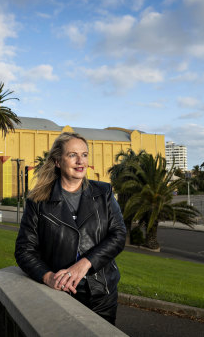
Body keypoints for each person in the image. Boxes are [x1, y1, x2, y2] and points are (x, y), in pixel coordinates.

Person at [14, 132, 126, 324]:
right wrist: (48, 277)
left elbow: (118, 235)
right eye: (72, 155)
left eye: (84, 154)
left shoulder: (103, 192)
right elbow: (24, 250)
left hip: (101, 293)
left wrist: (85, 263)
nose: (80, 161)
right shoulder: (38, 201)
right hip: (60, 293)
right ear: (58, 161)